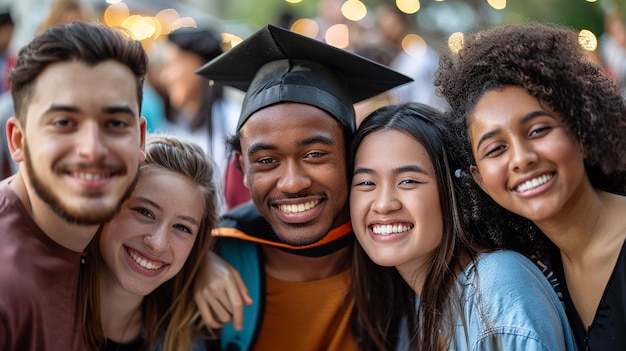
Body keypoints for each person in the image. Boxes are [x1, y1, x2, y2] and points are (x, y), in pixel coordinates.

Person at [193, 24, 411, 350]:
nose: (293, 183)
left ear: (352, 154)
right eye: (267, 160)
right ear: (241, 168)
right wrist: (192, 266)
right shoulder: (211, 255)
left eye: (314, 154)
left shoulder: (399, 254)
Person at [435, 22, 626, 350]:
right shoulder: (543, 262)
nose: (521, 159)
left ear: (579, 129)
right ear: (479, 179)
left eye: (537, 130)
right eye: (495, 149)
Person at [350, 102, 577, 350]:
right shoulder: (405, 308)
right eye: (366, 183)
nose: (383, 205)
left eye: (408, 181)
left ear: (454, 191)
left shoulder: (496, 286)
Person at [0, 21, 147, 351]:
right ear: (18, 140)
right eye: (64, 122)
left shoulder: (112, 223)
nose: (92, 148)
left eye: (115, 123)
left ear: (140, 138)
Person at [81, 135, 218, 351]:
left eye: (182, 228)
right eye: (145, 212)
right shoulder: (30, 307)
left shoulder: (187, 343)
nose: (158, 243)